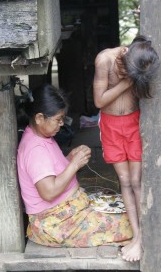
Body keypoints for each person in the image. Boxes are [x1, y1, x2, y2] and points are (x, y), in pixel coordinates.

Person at [17, 83, 133, 249]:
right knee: (129, 222)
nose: (62, 124)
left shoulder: (40, 137)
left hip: (65, 214)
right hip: (57, 223)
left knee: (127, 210)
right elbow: (48, 192)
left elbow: (48, 171)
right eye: (58, 120)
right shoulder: (35, 149)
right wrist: (74, 164)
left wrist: (69, 158)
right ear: (39, 118)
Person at [93, 35, 159, 262]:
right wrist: (126, 83)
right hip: (111, 126)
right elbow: (99, 101)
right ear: (126, 55)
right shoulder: (105, 60)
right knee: (125, 182)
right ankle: (138, 235)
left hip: (133, 124)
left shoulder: (142, 63)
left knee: (137, 180)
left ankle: (144, 239)